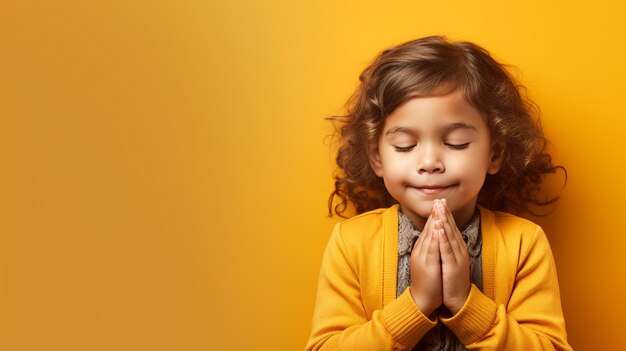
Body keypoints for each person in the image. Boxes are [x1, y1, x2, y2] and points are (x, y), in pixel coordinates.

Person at [305, 36, 572, 350]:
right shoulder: (351, 244)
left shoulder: (524, 243)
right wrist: (416, 303)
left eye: (456, 142)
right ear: (377, 157)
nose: (429, 162)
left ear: (494, 152)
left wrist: (466, 303)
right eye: (405, 145)